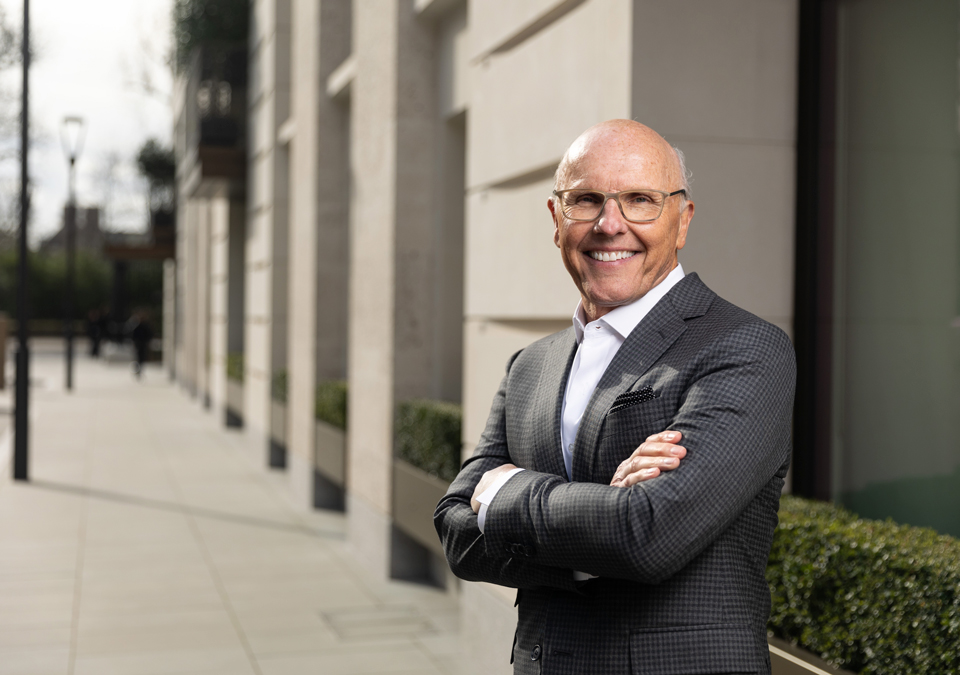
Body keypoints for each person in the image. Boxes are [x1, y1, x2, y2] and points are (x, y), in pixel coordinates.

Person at [434, 119, 795, 674]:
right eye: (586, 200)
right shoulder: (530, 367)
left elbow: (648, 534)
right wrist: (596, 524)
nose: (610, 225)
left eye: (640, 200)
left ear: (682, 220)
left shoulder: (744, 348)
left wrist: (506, 493)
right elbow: (456, 531)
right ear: (556, 220)